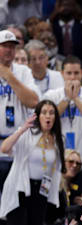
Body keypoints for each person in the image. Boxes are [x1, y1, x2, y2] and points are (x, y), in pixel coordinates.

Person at [41, 55, 82, 160]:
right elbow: (46, 122)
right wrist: (67, 98)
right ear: (62, 74)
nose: (72, 77)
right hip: (57, 157)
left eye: (76, 73)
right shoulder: (51, 95)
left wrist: (76, 99)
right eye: (69, 73)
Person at [0, 29, 40, 186]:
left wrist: (9, 75)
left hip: (19, 143)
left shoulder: (23, 71)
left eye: (12, 46)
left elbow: (33, 101)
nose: (9, 50)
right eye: (5, 46)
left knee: (18, 199)